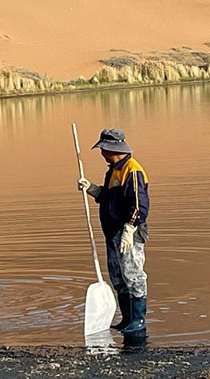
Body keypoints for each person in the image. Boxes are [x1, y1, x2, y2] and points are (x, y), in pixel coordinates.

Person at [77, 128, 150, 336]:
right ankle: (127, 318)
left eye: (103, 149)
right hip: (112, 233)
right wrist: (92, 189)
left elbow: (139, 205)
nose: (101, 154)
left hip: (129, 233)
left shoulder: (132, 171)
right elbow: (109, 198)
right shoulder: (113, 171)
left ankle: (139, 320)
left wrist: (129, 228)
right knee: (118, 277)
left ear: (111, 149)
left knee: (133, 275)